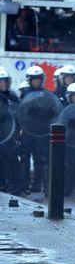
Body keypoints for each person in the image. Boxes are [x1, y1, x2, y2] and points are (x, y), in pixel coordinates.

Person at [18, 65, 50, 195]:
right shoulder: (25, 94)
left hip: (41, 132)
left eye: (39, 79)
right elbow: (21, 112)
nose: (37, 81)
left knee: (41, 159)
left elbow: (50, 112)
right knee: (24, 159)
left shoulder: (46, 94)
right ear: (30, 80)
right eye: (34, 79)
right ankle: (23, 185)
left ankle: (41, 185)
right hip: (27, 131)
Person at [0, 67, 21, 195]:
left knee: (13, 161)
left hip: (11, 135)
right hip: (1, 135)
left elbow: (20, 113)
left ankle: (15, 186)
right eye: (0, 82)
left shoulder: (13, 97)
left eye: (5, 81)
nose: (3, 84)